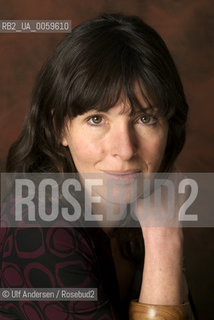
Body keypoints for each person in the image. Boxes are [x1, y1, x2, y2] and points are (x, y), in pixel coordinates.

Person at [0, 13, 197, 319]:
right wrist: (164, 240)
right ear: (60, 128)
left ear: (169, 127)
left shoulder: (138, 208)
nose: (125, 149)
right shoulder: (37, 229)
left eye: (145, 118)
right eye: (96, 119)